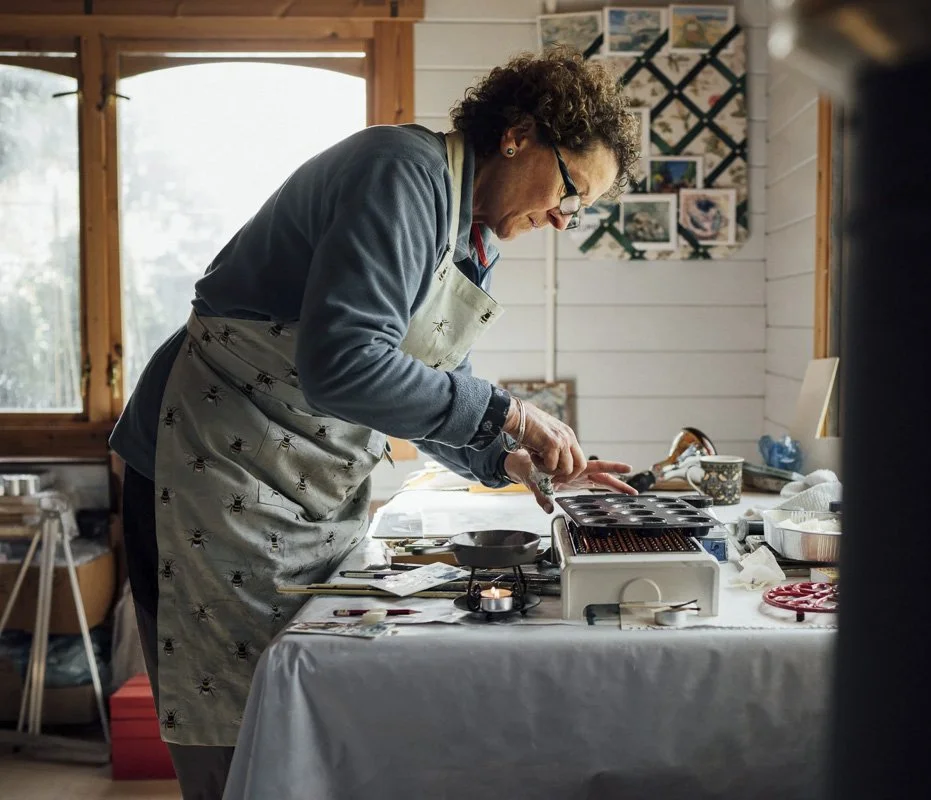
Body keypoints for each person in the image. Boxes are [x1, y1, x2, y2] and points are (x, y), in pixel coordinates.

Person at [109, 48, 641, 800]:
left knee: (301, 715)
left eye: (579, 208)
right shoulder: (402, 172)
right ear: (518, 135)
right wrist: (511, 411)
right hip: (210, 462)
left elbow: (406, 384)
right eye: (570, 188)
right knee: (236, 725)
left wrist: (507, 460)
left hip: (303, 482)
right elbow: (344, 365)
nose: (563, 216)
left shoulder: (470, 236)